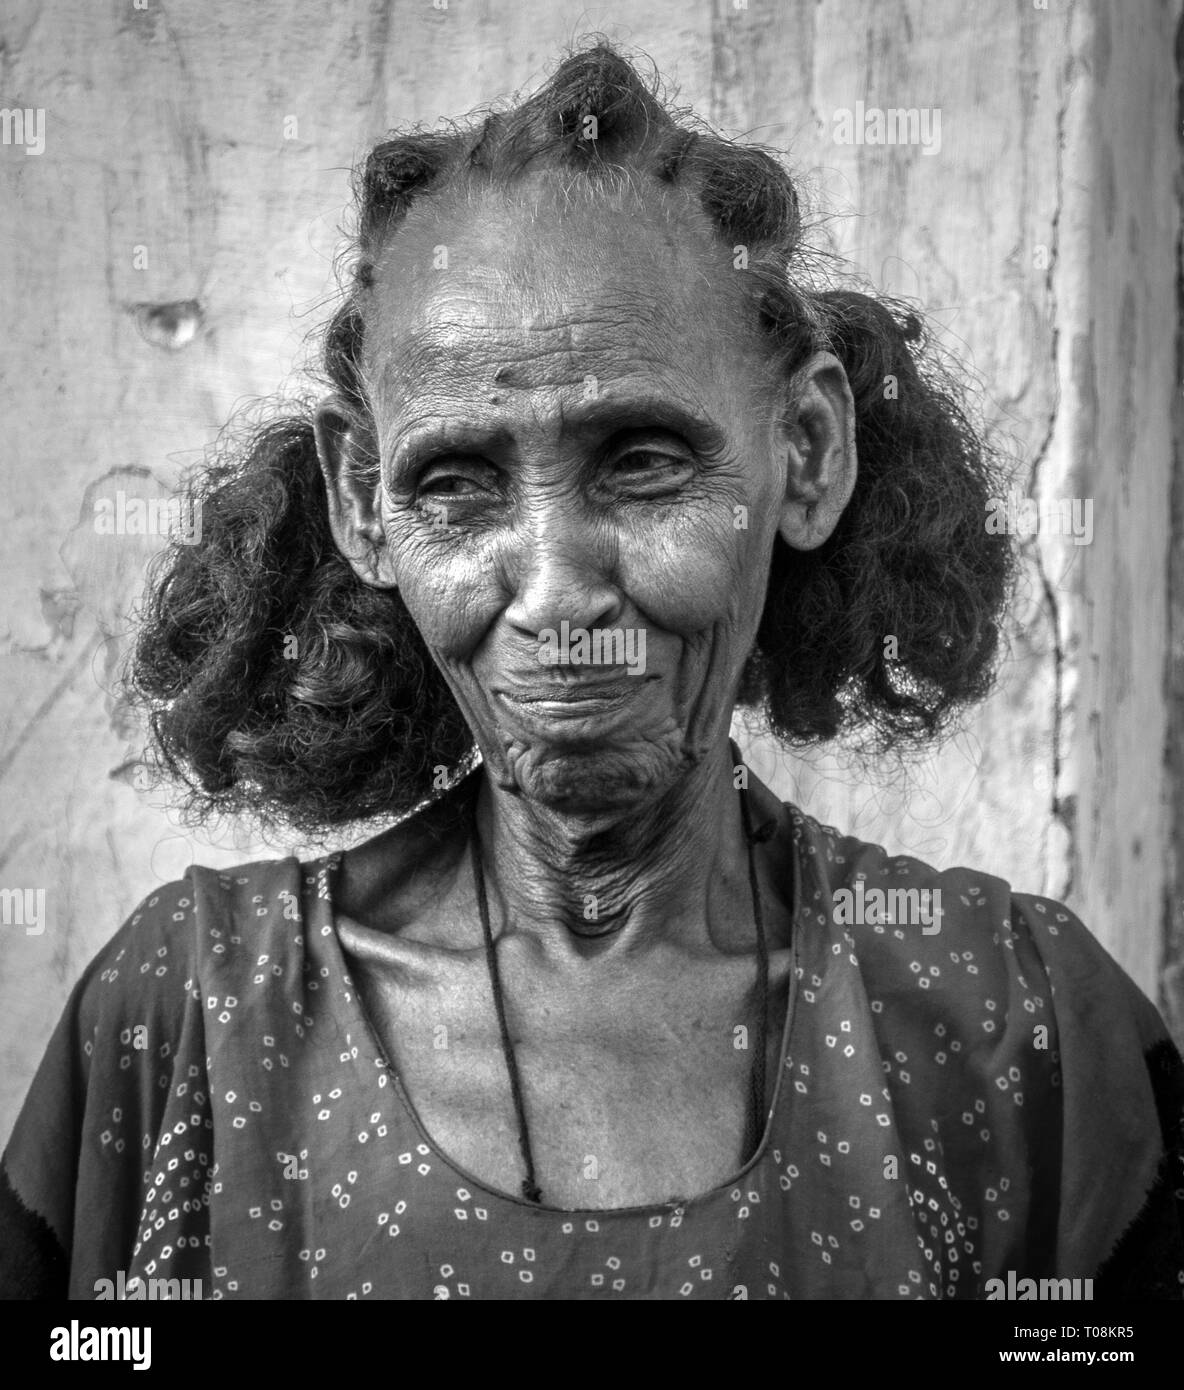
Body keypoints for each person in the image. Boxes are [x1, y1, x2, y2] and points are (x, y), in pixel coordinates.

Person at [2, 43, 1181, 1301]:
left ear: (806, 450)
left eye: (641, 461)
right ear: (362, 502)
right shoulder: (187, 1024)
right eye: (454, 484)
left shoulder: (1011, 1032)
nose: (556, 589)